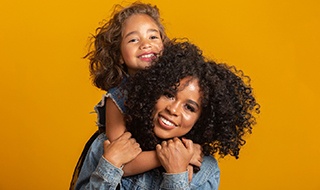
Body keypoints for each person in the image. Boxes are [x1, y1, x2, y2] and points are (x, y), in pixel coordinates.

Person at [75, 40, 260, 189]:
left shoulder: (205, 171)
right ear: (153, 91)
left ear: (202, 120)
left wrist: (176, 175)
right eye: (169, 95)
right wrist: (111, 165)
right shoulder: (109, 146)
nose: (173, 109)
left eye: (190, 108)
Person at [70, 2, 202, 189]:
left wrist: (188, 153)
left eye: (153, 37)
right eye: (133, 40)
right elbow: (119, 160)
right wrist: (165, 156)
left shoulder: (175, 87)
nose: (145, 44)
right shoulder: (118, 95)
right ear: (119, 56)